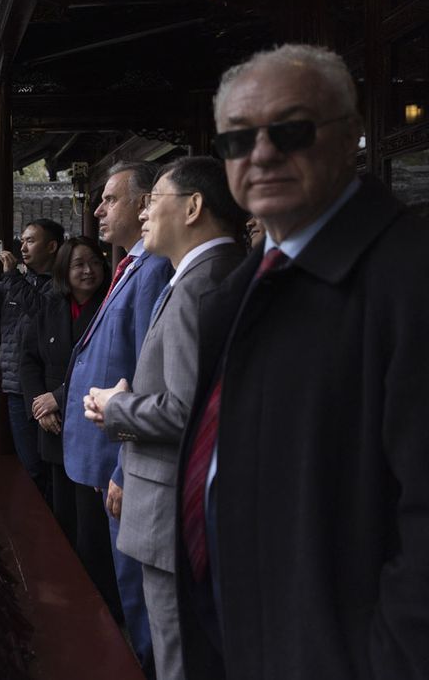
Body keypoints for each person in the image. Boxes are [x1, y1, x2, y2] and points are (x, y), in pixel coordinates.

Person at [175, 44, 429, 680]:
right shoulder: (240, 291)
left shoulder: (409, 280)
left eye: (290, 130)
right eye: (237, 140)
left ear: (350, 139)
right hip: (243, 635)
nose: (261, 154)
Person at [83, 157, 246, 680]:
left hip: (170, 504)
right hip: (170, 500)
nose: (145, 212)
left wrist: (115, 408)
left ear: (194, 207)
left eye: (155, 201)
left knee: (177, 652)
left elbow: (186, 411)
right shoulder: (199, 275)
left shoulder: (199, 286)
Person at [60, 161, 173, 674]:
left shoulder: (152, 271)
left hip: (119, 455)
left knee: (138, 595)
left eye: (109, 198)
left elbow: (151, 373)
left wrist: (126, 467)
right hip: (101, 448)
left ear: (145, 202)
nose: (98, 208)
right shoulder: (130, 265)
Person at [18, 236, 116, 614]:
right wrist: (40, 406)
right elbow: (28, 360)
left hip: (93, 424)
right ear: (64, 271)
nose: (88, 271)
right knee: (63, 515)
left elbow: (106, 365)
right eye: (78, 265)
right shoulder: (49, 307)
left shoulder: (109, 305)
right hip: (55, 429)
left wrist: (58, 396)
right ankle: (69, 589)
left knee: (93, 521)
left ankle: (100, 600)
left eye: (94, 262)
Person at [0, 219, 63, 483]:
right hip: (17, 386)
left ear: (52, 246)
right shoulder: (13, 282)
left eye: (30, 241)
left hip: (50, 386)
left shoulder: (61, 284)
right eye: (22, 241)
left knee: (53, 465)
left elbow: (41, 311)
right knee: (31, 464)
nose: (23, 247)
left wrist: (12, 275)